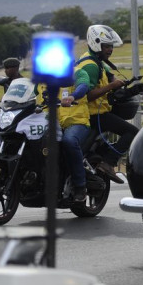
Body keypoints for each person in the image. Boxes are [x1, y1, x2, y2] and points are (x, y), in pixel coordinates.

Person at [79, 24, 139, 183]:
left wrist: (119, 83)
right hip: (94, 115)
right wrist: (111, 86)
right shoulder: (91, 66)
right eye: (106, 46)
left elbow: (108, 74)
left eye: (111, 46)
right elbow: (87, 96)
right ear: (95, 43)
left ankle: (100, 157)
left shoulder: (95, 60)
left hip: (98, 113)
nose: (110, 50)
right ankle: (109, 163)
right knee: (132, 132)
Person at [59, 65, 92, 203]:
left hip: (77, 121)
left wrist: (73, 96)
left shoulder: (78, 72)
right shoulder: (47, 76)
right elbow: (33, 91)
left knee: (69, 141)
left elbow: (83, 86)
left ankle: (80, 186)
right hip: (54, 122)